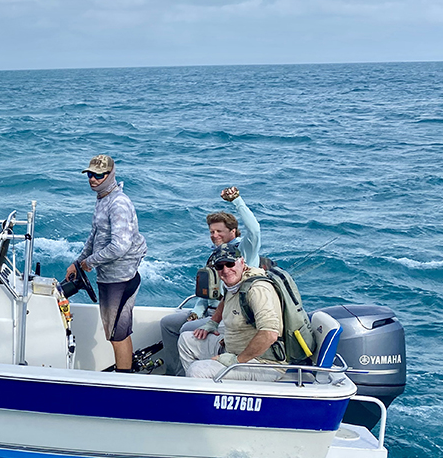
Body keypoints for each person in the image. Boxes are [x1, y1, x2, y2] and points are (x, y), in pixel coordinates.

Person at [159, 186, 262, 376]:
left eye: (219, 231)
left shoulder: (244, 251)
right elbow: (207, 293)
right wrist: (196, 313)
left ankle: (197, 374)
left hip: (228, 316)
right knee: (168, 323)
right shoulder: (215, 256)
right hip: (208, 311)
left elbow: (255, 231)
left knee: (186, 330)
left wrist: (237, 201)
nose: (214, 235)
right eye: (211, 231)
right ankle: (175, 374)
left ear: (233, 232)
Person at [65, 155, 147, 372]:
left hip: (121, 277)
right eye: (90, 174)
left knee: (117, 335)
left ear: (111, 175)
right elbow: (95, 235)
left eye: (99, 175)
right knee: (115, 332)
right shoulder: (103, 198)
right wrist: (78, 262)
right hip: (109, 275)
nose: (93, 179)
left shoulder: (118, 203)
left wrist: (89, 263)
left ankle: (124, 381)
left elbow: (120, 246)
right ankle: (125, 375)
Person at [177, 244, 283, 381]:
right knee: (186, 340)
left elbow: (270, 334)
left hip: (263, 362)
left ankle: (205, 393)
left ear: (242, 262)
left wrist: (236, 360)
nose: (226, 270)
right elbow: (226, 300)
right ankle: (201, 390)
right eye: (220, 266)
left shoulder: (257, 290)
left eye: (230, 264)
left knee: (197, 370)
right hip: (231, 349)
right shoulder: (234, 284)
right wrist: (212, 322)